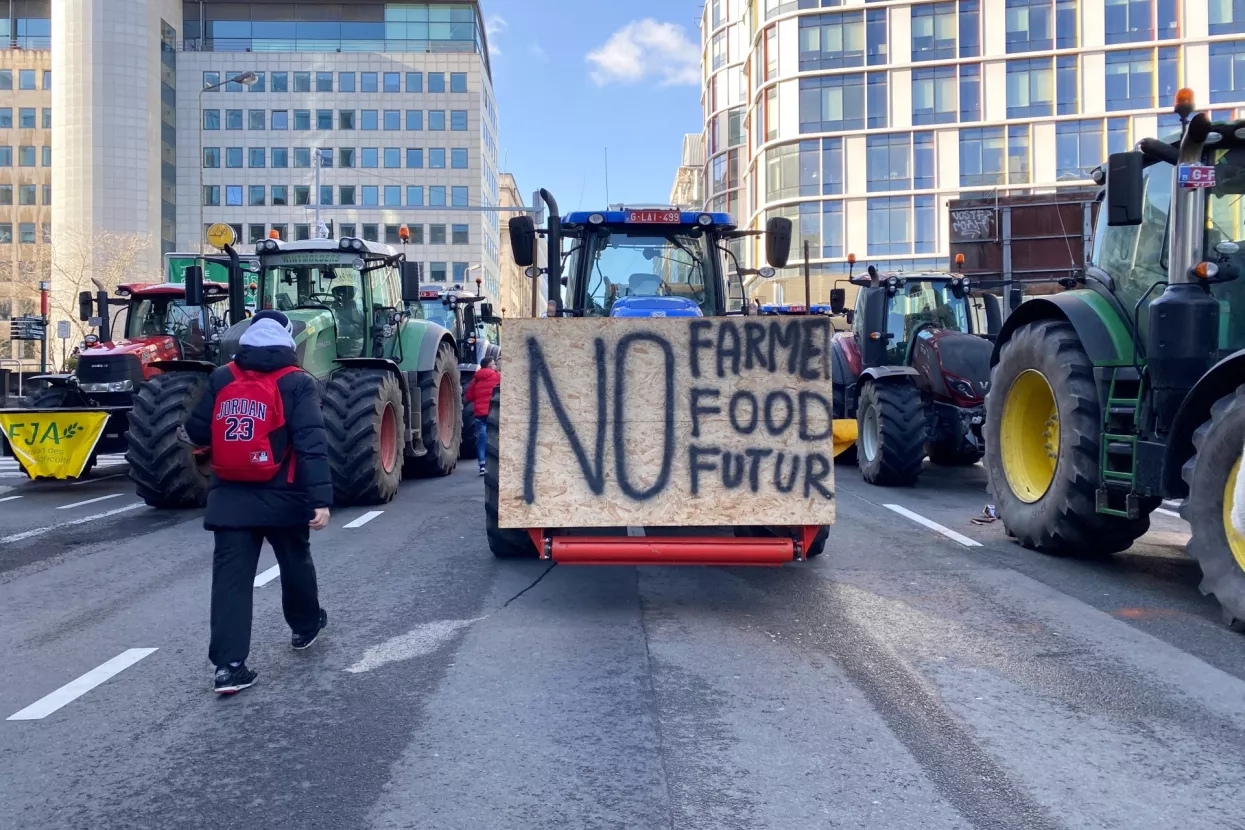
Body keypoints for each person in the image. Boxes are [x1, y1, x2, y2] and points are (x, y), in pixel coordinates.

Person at [184, 309, 333, 695]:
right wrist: (320, 499)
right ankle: (305, 627)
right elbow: (311, 444)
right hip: (284, 494)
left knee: (231, 583)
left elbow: (198, 428)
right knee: (295, 563)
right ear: (288, 341)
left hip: (230, 497)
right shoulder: (298, 382)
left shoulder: (222, 377)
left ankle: (229, 668)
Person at [463, 356, 501, 476]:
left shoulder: (475, 379)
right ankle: (496, 463)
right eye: (494, 364)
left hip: (480, 414)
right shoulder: (497, 376)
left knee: (482, 439)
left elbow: (469, 397)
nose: (495, 366)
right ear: (490, 366)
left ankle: (482, 466)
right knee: (496, 438)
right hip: (493, 413)